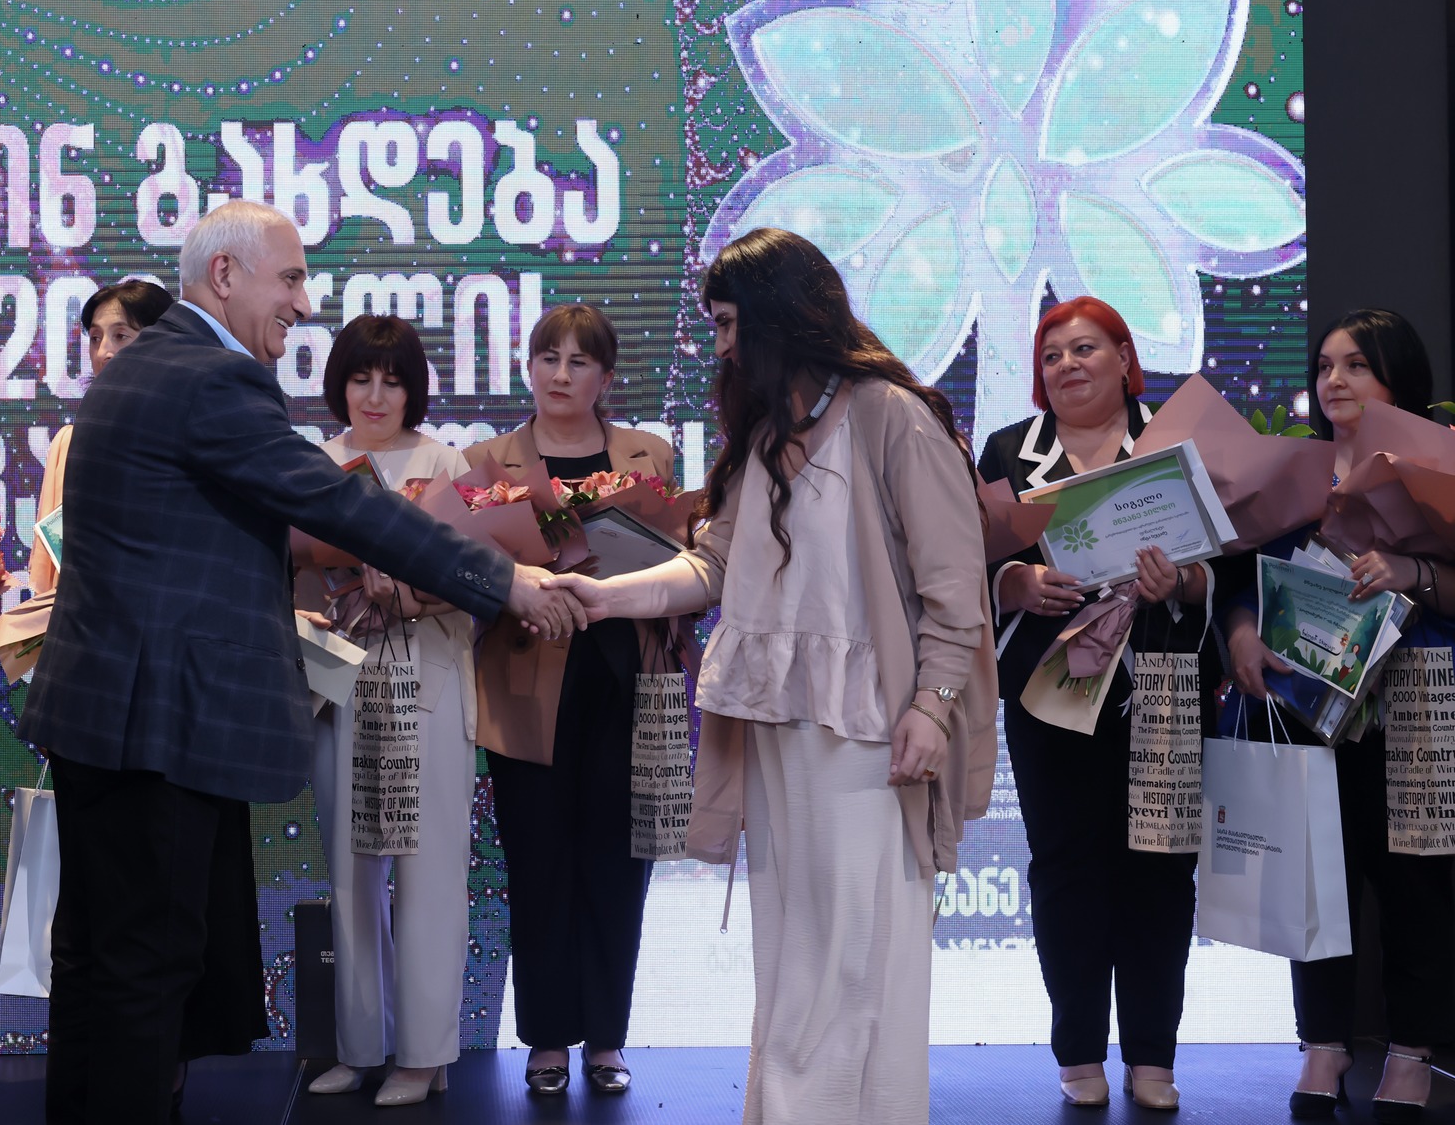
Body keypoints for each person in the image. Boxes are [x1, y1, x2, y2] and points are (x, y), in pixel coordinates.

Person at [19, 199, 582, 1124]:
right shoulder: (209, 376)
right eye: (288, 278)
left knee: (97, 965)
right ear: (224, 275)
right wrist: (505, 581)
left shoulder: (146, 367)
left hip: (105, 716)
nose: (302, 302)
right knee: (142, 973)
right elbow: (341, 504)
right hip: (156, 723)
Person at [557, 228, 998, 1124]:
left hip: (870, 735)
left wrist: (933, 705)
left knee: (852, 960)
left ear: (776, 317)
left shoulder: (892, 417)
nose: (721, 346)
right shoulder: (762, 433)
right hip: (775, 727)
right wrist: (601, 597)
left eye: (728, 324)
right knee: (796, 956)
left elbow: (958, 591)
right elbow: (713, 566)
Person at [1215, 309, 1454, 1122]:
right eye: (1324, 366)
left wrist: (1412, 570)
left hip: (1412, 706)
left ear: (1398, 379)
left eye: (1356, 365)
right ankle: (1322, 1042)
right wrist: (1241, 632)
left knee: (1416, 883)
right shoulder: (1294, 471)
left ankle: (1412, 1051)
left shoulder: (1437, 468)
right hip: (1305, 706)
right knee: (1311, 878)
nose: (1334, 380)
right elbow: (1239, 577)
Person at [978, 297, 1211, 1111]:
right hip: (1052, 689)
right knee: (1065, 866)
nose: (1067, 365)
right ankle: (1078, 1047)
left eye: (1084, 349)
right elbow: (968, 561)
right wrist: (1017, 580)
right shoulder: (1008, 450)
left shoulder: (1176, 441)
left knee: (1162, 867)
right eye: (1052, 355)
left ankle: (1153, 1053)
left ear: (1124, 357)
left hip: (1163, 683)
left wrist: (1183, 581)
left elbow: (1229, 562)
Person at [462, 302, 681, 1095]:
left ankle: (608, 1039)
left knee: (619, 862)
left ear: (606, 377)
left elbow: (685, 561)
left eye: (578, 361)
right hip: (528, 680)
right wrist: (513, 583)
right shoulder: (487, 461)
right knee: (539, 860)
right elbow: (462, 569)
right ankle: (548, 1037)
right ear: (528, 367)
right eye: (547, 358)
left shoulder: (649, 455)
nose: (560, 374)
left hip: (627, 676)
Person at [298, 316, 478, 1106]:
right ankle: (359, 1044)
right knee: (352, 870)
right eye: (361, 377)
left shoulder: (446, 463)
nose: (375, 395)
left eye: (393, 380)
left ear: (414, 389)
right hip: (338, 681)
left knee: (429, 867)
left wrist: (412, 592)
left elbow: (481, 580)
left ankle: (425, 1052)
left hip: (427, 677)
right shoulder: (313, 464)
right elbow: (292, 570)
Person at [27, 279, 174, 592]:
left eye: (121, 336)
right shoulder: (69, 442)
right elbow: (48, 568)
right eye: (95, 338)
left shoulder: (183, 436)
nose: (104, 352)